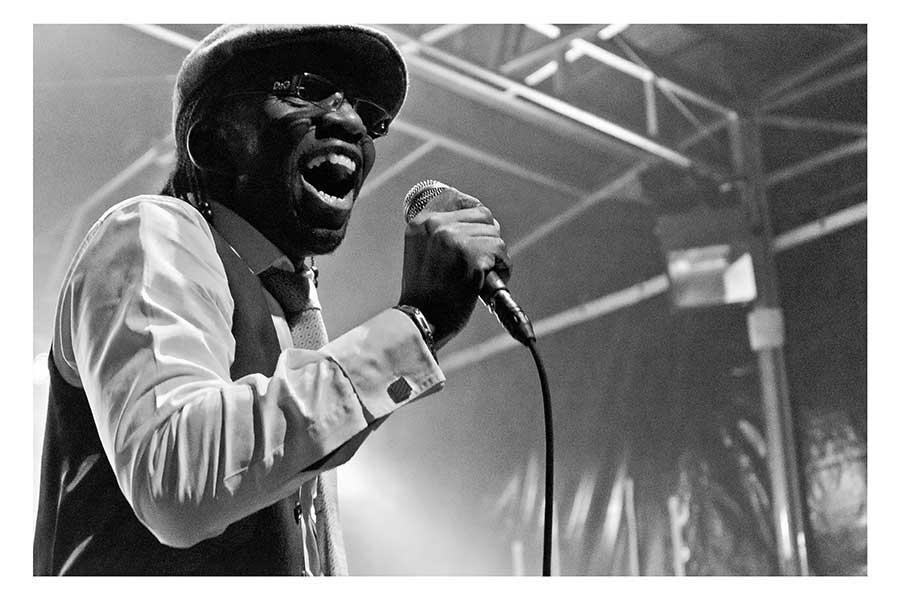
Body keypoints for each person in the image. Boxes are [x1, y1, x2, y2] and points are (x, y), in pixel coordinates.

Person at [34, 24, 511, 576]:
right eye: (307, 89)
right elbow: (176, 478)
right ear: (213, 139)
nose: (353, 123)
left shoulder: (289, 309)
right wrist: (417, 323)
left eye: (369, 114)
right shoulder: (149, 233)